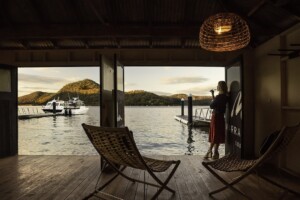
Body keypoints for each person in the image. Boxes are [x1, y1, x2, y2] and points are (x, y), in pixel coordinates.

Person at [204, 81, 228, 159]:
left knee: (214, 134)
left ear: (220, 87)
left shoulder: (219, 97)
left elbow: (212, 106)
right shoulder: (225, 96)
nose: (216, 86)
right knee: (218, 134)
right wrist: (213, 95)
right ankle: (215, 152)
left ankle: (209, 151)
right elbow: (217, 102)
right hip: (221, 117)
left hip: (215, 117)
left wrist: (214, 97)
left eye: (217, 85)